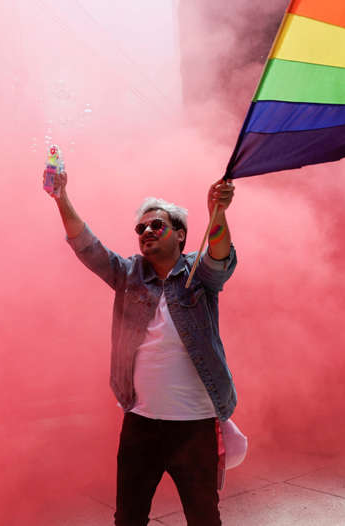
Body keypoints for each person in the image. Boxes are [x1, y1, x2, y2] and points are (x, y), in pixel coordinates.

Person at [46, 168, 238, 526]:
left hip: (194, 425)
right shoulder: (130, 274)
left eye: (156, 225)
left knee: (204, 518)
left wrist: (218, 212)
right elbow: (88, 247)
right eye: (141, 228)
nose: (146, 232)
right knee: (129, 518)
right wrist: (61, 197)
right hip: (141, 424)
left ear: (180, 235)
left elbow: (220, 258)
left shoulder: (198, 274)